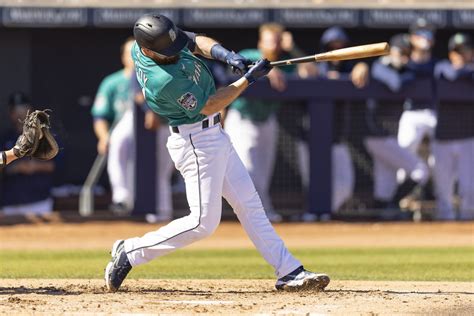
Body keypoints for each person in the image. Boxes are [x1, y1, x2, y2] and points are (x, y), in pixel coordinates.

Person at [104, 14, 330, 293]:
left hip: (214, 136)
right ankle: (131, 251)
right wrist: (247, 79)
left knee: (250, 205)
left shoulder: (151, 42)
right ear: (149, 51)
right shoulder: (162, 80)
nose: (175, 50)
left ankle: (289, 271)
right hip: (196, 142)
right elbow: (210, 105)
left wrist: (228, 56)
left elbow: (195, 41)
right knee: (203, 222)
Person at [224, 23, 304, 222]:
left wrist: (292, 49)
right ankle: (259, 213)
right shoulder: (249, 54)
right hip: (242, 119)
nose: (273, 46)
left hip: (267, 120)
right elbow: (239, 62)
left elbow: (311, 72)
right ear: (261, 42)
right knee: (248, 169)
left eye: (277, 42)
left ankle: (259, 212)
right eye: (270, 41)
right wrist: (265, 68)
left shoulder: (287, 61)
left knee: (264, 173)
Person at [298, 26, 368, 221]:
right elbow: (304, 70)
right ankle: (313, 215)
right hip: (309, 137)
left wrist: (363, 66)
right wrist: (308, 72)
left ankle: (327, 210)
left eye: (341, 46)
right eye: (333, 46)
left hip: (336, 137)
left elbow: (362, 70)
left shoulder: (351, 69)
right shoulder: (315, 66)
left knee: (345, 184)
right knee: (311, 183)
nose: (337, 50)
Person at [366, 34, 430, 217]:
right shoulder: (379, 66)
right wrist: (411, 73)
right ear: (391, 51)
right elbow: (395, 84)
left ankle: (382, 215)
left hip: (387, 135)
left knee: (384, 185)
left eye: (407, 53)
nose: (404, 57)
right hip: (377, 134)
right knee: (420, 170)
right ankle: (393, 205)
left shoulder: (402, 68)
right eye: (401, 52)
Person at [91, 37, 136, 214]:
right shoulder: (112, 83)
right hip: (121, 129)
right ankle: (121, 199)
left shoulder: (155, 79)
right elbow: (99, 116)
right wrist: (103, 137)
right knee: (116, 143)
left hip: (153, 132)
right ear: (123, 57)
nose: (134, 58)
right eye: (130, 54)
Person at [433, 33, 474, 220]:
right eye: (457, 51)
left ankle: (467, 225)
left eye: (465, 51)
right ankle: (444, 227)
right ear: (450, 54)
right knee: (443, 188)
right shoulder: (441, 67)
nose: (461, 55)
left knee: (469, 187)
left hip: (468, 137)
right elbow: (451, 74)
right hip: (443, 137)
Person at [0, 93, 56, 217]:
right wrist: (14, 166)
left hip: (39, 200)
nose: (20, 114)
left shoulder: (44, 135)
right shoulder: (5, 138)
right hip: (11, 201)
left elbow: (57, 164)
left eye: (23, 109)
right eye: (15, 110)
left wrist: (32, 164)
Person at [130, 75, 175, 223]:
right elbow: (138, 94)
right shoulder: (142, 64)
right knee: (162, 171)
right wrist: (150, 110)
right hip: (166, 125)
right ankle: (163, 210)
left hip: (191, 124)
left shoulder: (185, 61)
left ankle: (198, 213)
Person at [397, 18, 438, 171]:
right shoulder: (402, 63)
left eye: (427, 33)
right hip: (411, 112)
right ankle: (404, 193)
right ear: (412, 38)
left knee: (441, 157)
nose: (424, 38)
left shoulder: (437, 64)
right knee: (404, 152)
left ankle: (443, 194)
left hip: (433, 112)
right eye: (419, 33)